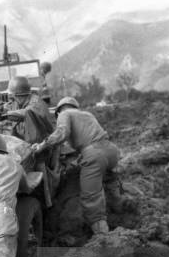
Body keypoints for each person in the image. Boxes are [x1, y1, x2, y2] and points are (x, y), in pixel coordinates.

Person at [31, 97, 120, 234]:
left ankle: (104, 237)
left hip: (95, 155)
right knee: (106, 181)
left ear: (59, 110)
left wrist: (42, 145)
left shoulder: (65, 114)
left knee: (91, 197)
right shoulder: (87, 114)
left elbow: (62, 133)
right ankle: (119, 208)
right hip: (112, 151)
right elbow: (88, 137)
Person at [0, 76, 54, 145]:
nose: (11, 99)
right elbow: (10, 110)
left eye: (12, 96)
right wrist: (0, 110)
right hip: (27, 144)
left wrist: (5, 115)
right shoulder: (18, 103)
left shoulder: (36, 102)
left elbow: (25, 113)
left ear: (17, 95)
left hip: (44, 144)